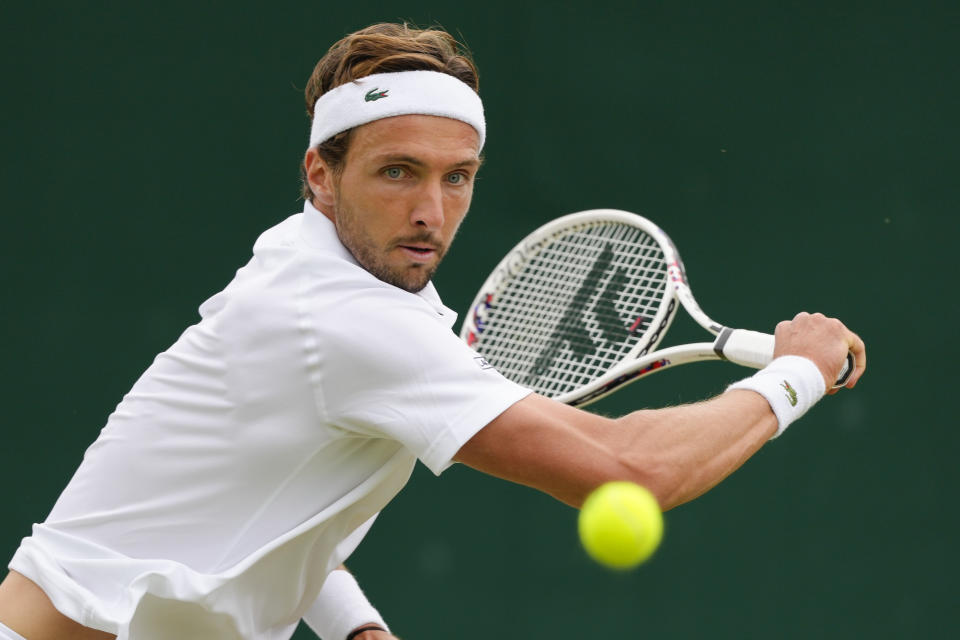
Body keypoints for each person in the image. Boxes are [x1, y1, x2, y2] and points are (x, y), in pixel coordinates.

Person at [0, 22, 866, 640]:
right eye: (397, 173)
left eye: (459, 178)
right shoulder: (343, 321)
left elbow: (279, 519)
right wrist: (793, 377)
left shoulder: (319, 279)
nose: (430, 211)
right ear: (321, 174)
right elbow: (627, 470)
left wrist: (355, 628)